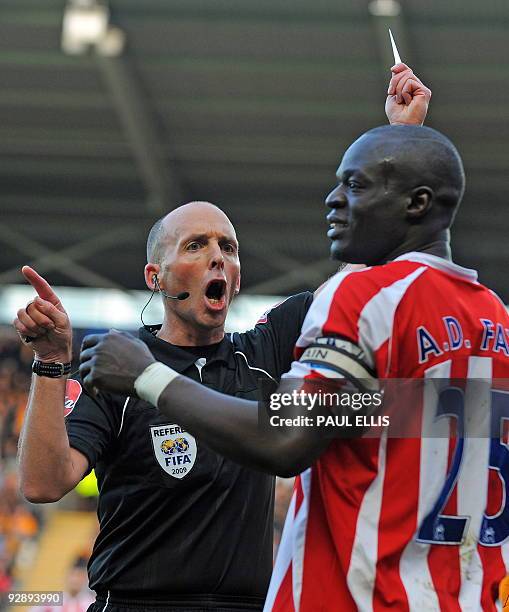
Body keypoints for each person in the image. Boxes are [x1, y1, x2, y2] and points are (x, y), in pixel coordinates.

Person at [14, 64, 430, 611]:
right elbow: (45, 483)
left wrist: (403, 138)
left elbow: (368, 274)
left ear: (235, 277)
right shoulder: (120, 363)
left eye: (228, 248)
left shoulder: (264, 351)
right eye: (195, 245)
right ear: (154, 277)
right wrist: (50, 363)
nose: (217, 255)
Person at [79, 124, 509, 611]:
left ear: (416, 204)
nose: (333, 200)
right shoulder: (493, 317)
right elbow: (404, 415)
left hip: (361, 598)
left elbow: (286, 440)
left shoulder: (361, 299)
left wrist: (147, 376)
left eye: (355, 185)